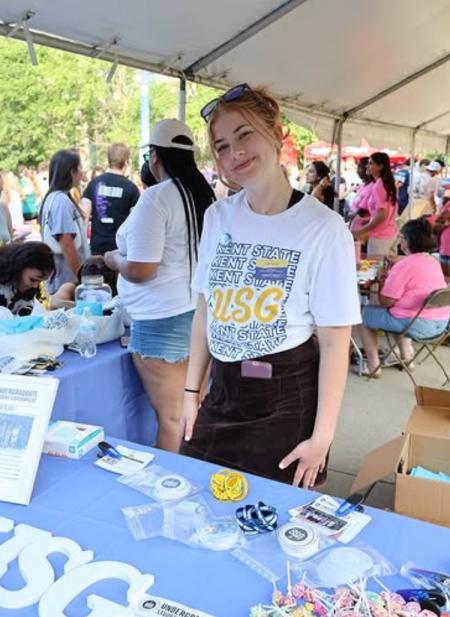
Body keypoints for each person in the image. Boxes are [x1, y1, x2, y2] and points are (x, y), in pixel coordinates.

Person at [180, 84, 360, 488]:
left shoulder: (324, 228)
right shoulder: (217, 216)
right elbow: (205, 311)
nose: (234, 153)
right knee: (197, 498)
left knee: (269, 522)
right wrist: (191, 392)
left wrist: (322, 438)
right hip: (222, 390)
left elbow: (335, 341)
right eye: (222, 146)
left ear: (278, 135)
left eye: (245, 134)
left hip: (284, 398)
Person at [104, 119, 215, 452]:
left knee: (172, 418)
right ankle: (200, 479)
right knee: (194, 410)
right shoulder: (202, 194)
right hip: (194, 312)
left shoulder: (156, 198)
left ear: (154, 156)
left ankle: (173, 487)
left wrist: (113, 260)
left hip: (160, 322)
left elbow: (141, 269)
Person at [356, 219, 449, 377]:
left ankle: (373, 366)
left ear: (409, 241)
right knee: (398, 311)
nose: (400, 241)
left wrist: (382, 279)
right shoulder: (432, 261)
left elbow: (385, 302)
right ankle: (407, 358)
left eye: (402, 238)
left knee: (363, 315)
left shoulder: (404, 265)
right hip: (441, 323)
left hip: (418, 324)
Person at [40, 149, 90, 293]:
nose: (82, 172)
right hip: (66, 282)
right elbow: (67, 243)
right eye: (80, 167)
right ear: (71, 172)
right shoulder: (61, 201)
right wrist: (81, 277)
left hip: (64, 280)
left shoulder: (56, 198)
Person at [81, 143, 140, 255]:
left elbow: (83, 216)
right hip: (120, 248)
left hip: (97, 247)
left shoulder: (93, 184)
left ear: (109, 160)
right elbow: (135, 222)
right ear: (127, 162)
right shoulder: (131, 188)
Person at [352, 152, 398, 256]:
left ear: (381, 166)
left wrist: (361, 231)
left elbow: (382, 215)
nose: (367, 166)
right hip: (390, 234)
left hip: (380, 237)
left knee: (376, 270)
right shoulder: (388, 184)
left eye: (371, 163)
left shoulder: (378, 186)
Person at [0, 241, 55, 315]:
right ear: (19, 266)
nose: (35, 286)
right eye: (32, 280)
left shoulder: (27, 291)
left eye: (39, 282)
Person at [349, 157, 373, 236]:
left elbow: (362, 210)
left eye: (360, 167)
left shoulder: (372, 186)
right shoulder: (363, 185)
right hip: (355, 223)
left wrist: (352, 217)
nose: (357, 171)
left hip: (362, 227)